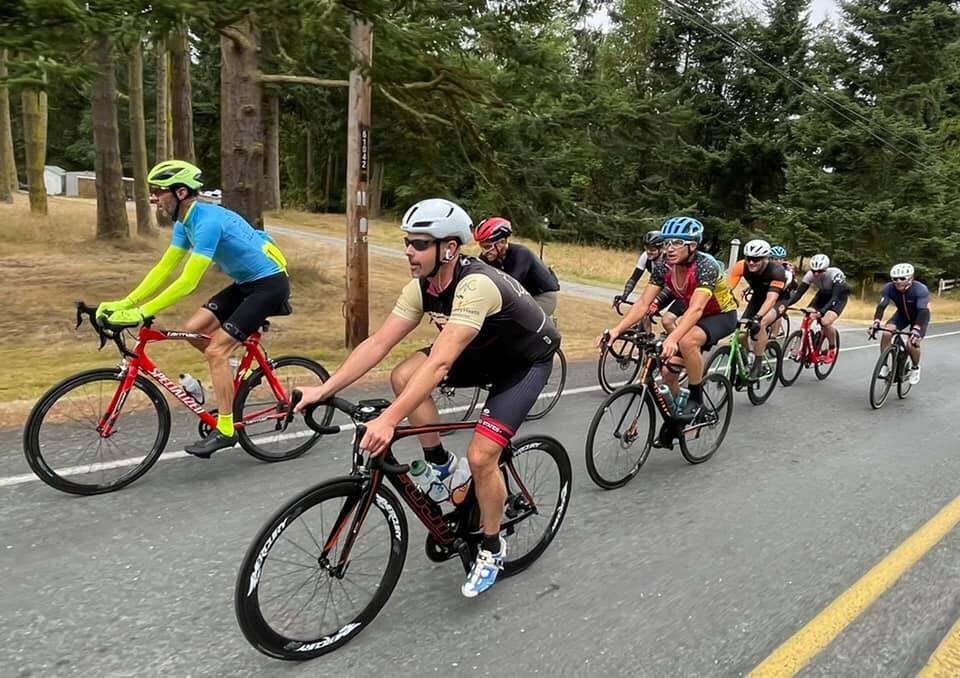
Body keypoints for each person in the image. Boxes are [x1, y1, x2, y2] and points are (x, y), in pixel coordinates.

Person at [295, 199, 560, 598]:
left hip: (524, 363)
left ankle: (491, 546)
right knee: (403, 374)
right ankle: (439, 465)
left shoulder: (476, 285)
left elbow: (439, 364)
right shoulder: (422, 287)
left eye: (418, 244)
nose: (407, 251)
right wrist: (324, 388)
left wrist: (389, 421)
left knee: (482, 456)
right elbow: (379, 343)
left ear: (449, 248)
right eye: (407, 242)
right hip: (483, 353)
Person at [95, 160, 289, 458]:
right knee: (190, 331)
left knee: (215, 351)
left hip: (269, 286)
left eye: (159, 192)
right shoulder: (184, 223)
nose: (154, 198)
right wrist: (125, 304)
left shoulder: (208, 221)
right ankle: (230, 368)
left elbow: (188, 281)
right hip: (245, 283)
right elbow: (164, 269)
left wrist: (143, 313)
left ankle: (226, 429)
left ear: (181, 192)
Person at [599, 216, 737, 445]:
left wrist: (673, 337)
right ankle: (677, 421)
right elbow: (643, 304)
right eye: (666, 243)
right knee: (667, 375)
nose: (669, 248)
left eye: (676, 243)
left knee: (687, 341)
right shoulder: (664, 266)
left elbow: (696, 309)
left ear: (693, 246)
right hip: (695, 313)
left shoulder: (705, 266)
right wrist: (616, 330)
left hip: (720, 314)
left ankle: (696, 400)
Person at [726, 239, 789, 380]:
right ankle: (749, 357)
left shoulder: (777, 271)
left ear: (766, 259)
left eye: (756, 259)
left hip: (778, 300)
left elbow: (771, 299)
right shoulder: (741, 266)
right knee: (741, 332)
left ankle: (758, 364)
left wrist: (757, 317)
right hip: (758, 298)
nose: (751, 262)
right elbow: (727, 290)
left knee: (761, 323)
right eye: (749, 258)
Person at [473, 216, 560, 315]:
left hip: (542, 296)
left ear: (503, 242)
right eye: (482, 247)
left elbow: (510, 286)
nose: (484, 252)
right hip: (523, 296)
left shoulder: (521, 254)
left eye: (488, 247)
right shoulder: (489, 255)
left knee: (515, 320)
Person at [783, 253, 849, 364]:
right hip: (822, 296)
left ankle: (832, 348)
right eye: (814, 271)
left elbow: (835, 297)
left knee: (825, 322)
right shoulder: (810, 275)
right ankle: (802, 347)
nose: (816, 274)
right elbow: (799, 293)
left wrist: (822, 312)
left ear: (826, 269)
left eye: (819, 271)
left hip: (838, 297)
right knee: (808, 317)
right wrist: (786, 305)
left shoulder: (835, 274)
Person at [870, 263, 929, 385]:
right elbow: (882, 306)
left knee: (911, 343)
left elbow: (923, 311)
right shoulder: (889, 288)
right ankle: (884, 365)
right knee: (887, 332)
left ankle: (915, 367)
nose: (898, 281)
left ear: (910, 278)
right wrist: (876, 322)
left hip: (919, 317)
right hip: (901, 315)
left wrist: (916, 329)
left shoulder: (920, 289)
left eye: (902, 278)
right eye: (894, 279)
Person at [615, 229, 682, 332]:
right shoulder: (645, 256)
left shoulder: (669, 259)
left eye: (653, 249)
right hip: (661, 286)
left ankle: (676, 342)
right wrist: (624, 295)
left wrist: (656, 302)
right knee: (644, 311)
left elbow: (671, 286)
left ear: (662, 248)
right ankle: (647, 337)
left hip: (676, 289)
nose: (649, 252)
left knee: (667, 320)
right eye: (647, 248)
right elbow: (634, 278)